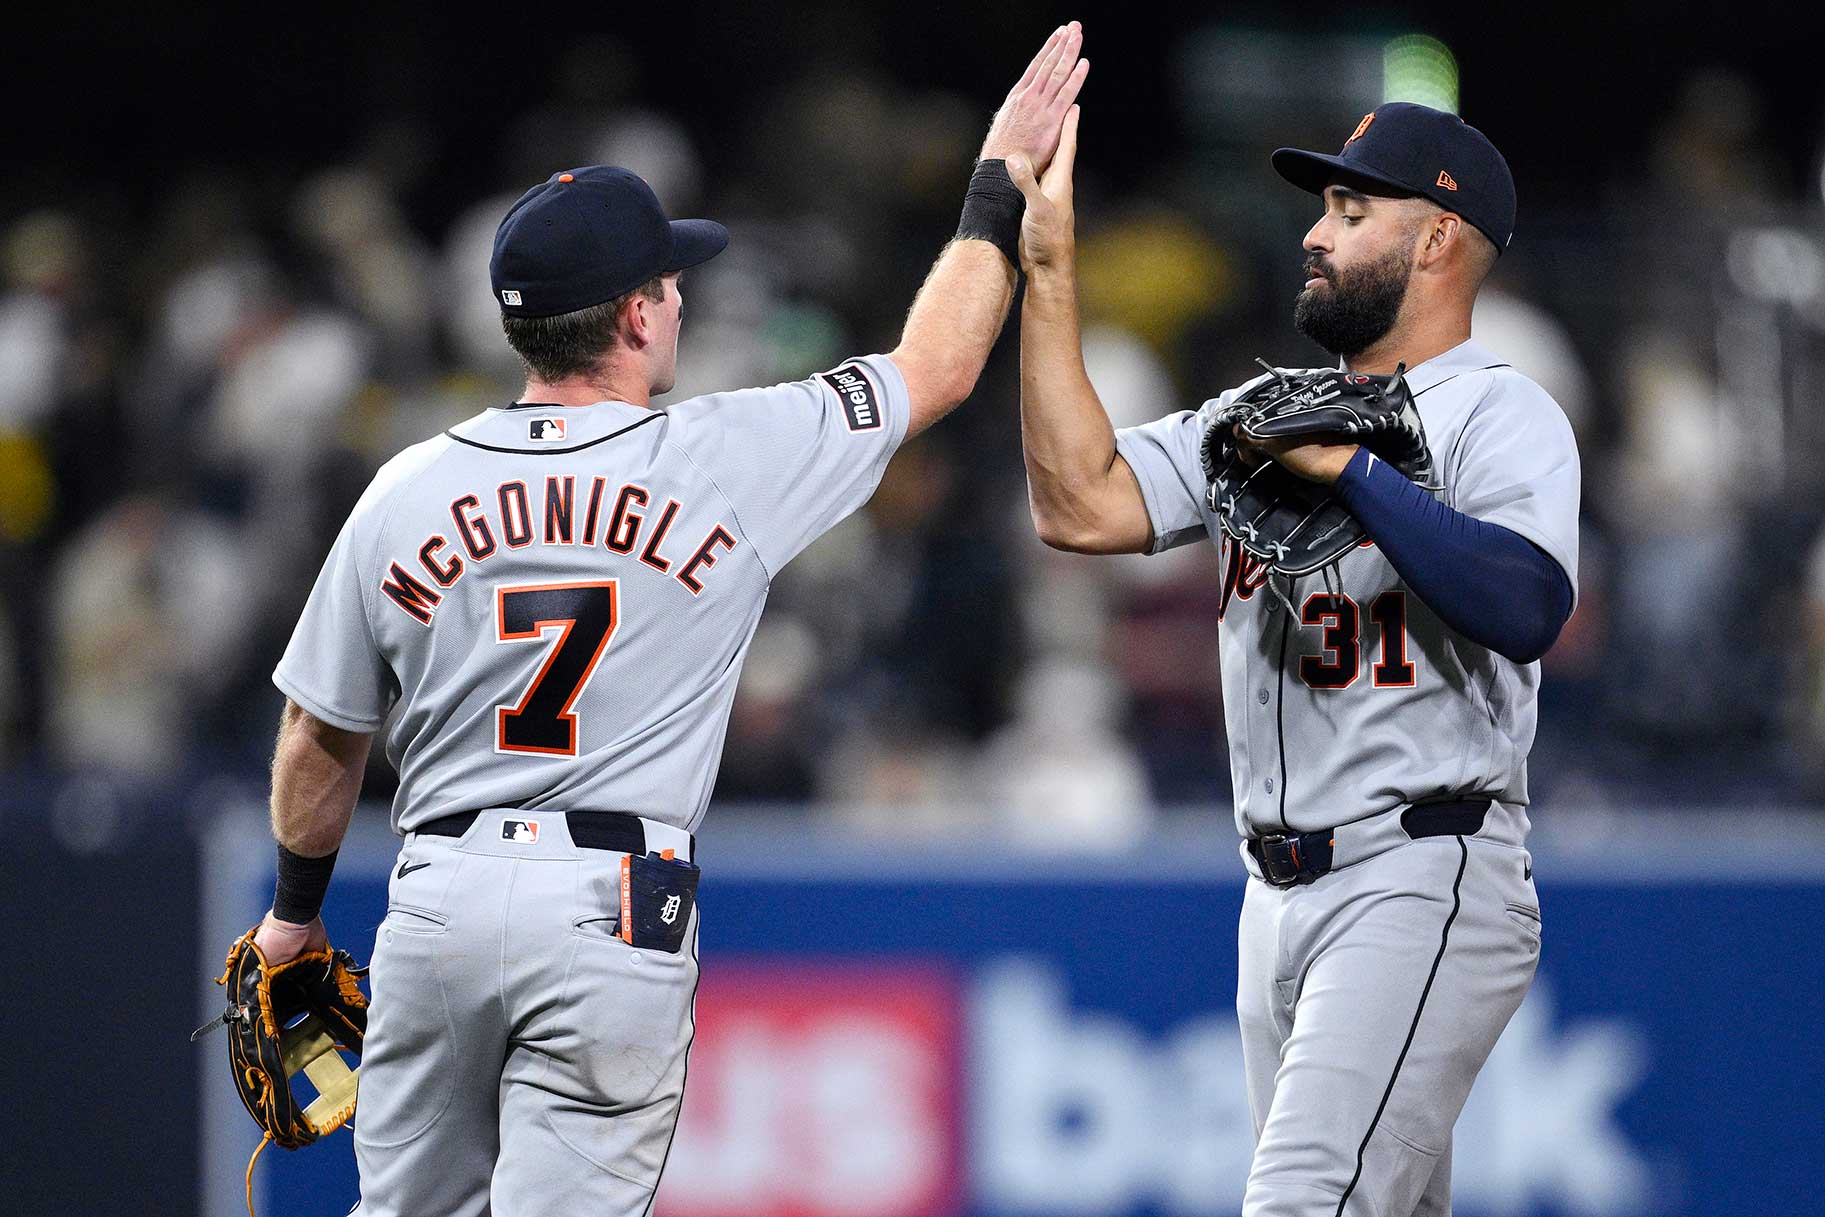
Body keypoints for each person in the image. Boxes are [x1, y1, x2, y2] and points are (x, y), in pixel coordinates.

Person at [240, 23, 1089, 1216]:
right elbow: (937, 363)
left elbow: (315, 736)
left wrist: (289, 917)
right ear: (635, 317)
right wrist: (994, 187)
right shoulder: (723, 456)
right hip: (608, 905)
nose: (681, 297)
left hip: (432, 892)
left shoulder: (407, 485)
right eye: (668, 282)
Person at [1008, 101, 1579, 1216]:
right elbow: (1079, 505)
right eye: (1323, 205)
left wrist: (1361, 478)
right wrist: (1048, 270)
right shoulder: (1255, 415)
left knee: (1300, 1201)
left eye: (1353, 209)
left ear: (1435, 242)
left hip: (1420, 866)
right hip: (1273, 897)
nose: (1316, 232)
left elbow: (1527, 604)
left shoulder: (1499, 412)